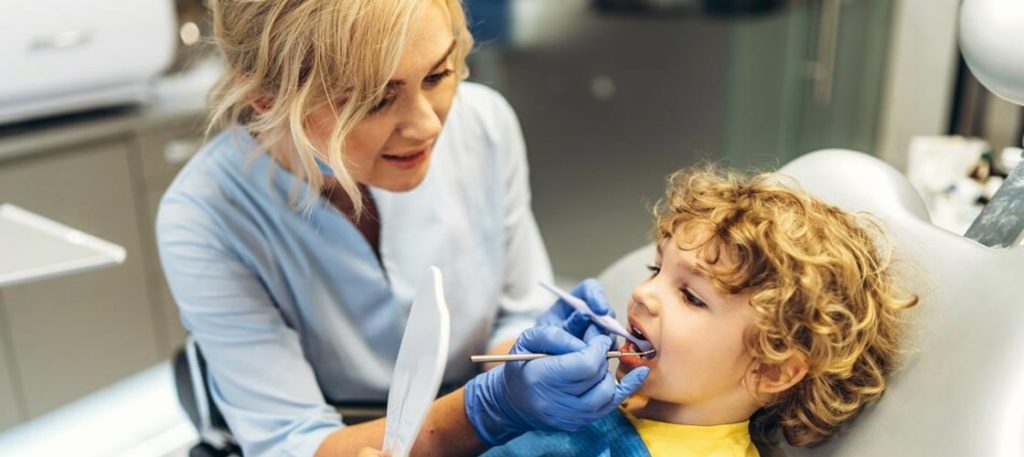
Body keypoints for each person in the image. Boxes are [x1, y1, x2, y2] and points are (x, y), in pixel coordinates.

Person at [155, 0, 645, 455]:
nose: (427, 125)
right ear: (265, 99)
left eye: (437, 75)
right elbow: (295, 441)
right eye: (373, 100)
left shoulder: (483, 124)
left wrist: (529, 365)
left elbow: (515, 312)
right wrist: (490, 407)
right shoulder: (204, 216)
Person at [480, 165, 918, 456]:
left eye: (690, 296)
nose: (643, 294)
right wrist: (498, 395)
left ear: (772, 370)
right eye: (657, 268)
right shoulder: (617, 403)